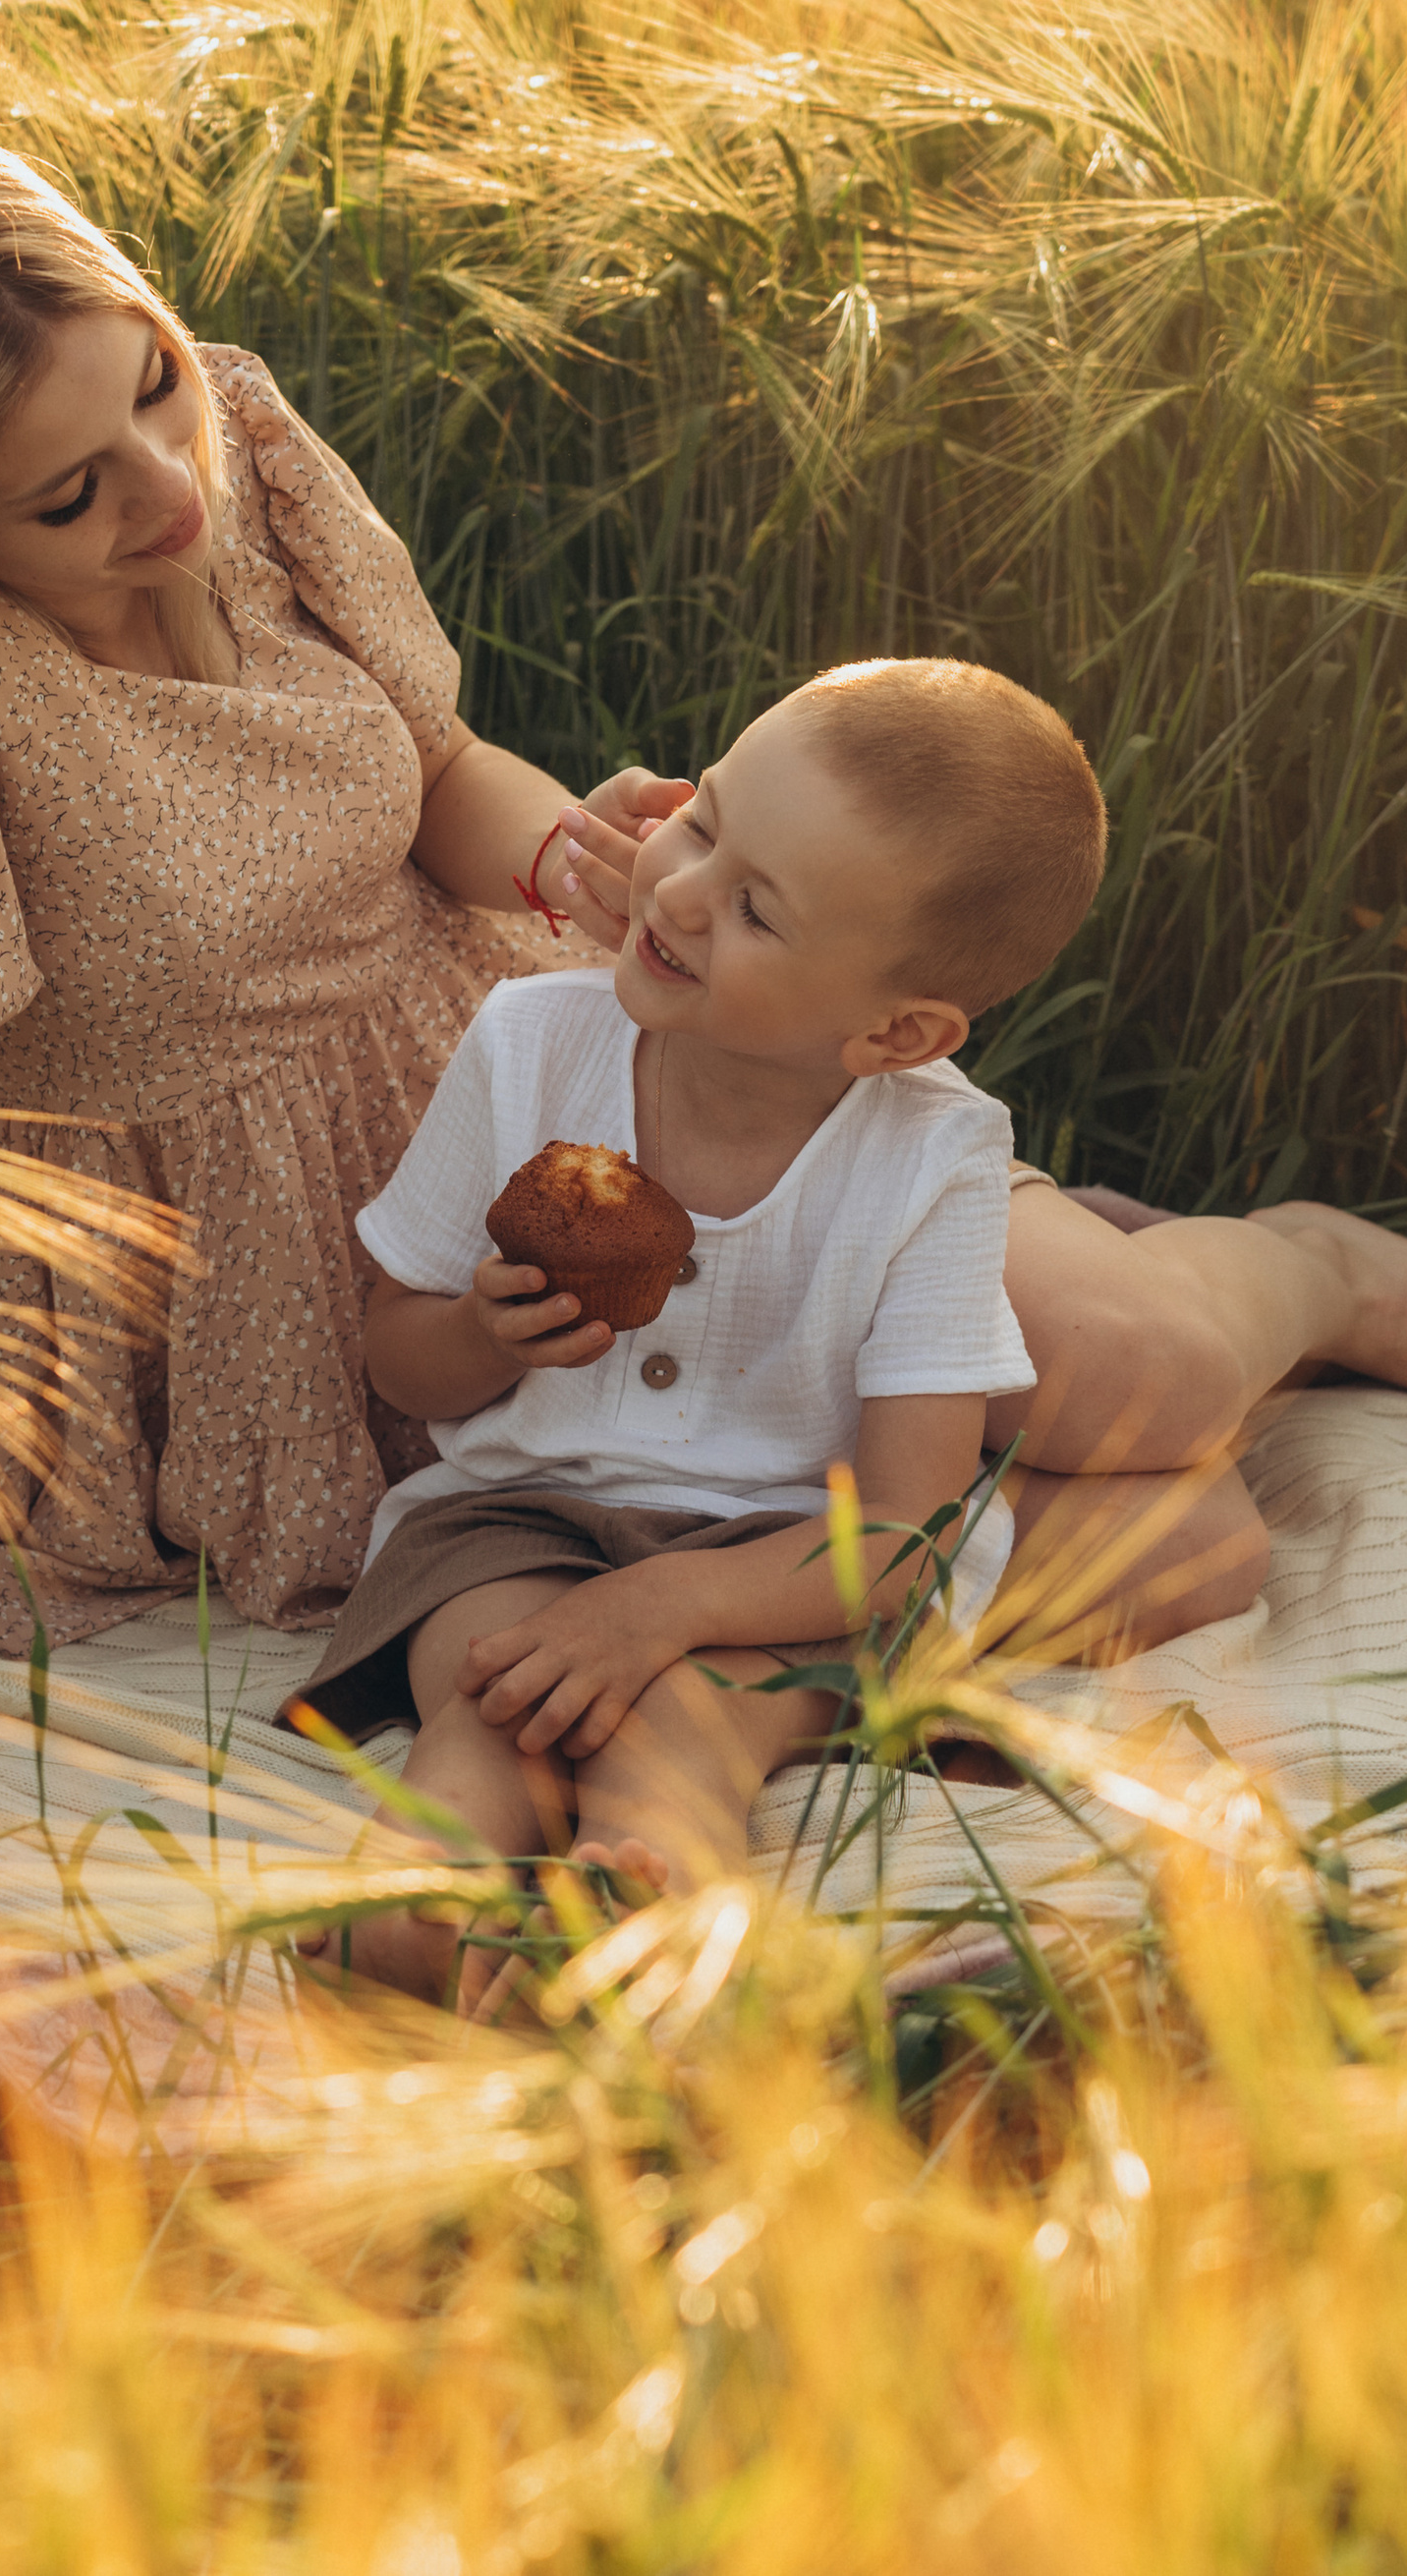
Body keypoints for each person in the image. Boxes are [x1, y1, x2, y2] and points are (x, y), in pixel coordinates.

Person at [0, 123, 1407, 1717]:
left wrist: (556, 871)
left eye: (149, 384)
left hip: (552, 1100)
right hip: (264, 1302)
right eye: (69, 493)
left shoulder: (233, 451)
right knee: (1113, 1534)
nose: (166, 486)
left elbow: (424, 770)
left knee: (1144, 1380)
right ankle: (803, 1630)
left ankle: (1311, 1274)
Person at [290, 659, 1101, 2000]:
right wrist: (490, 1335)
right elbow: (396, 1350)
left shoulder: (937, 1158)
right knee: (501, 1696)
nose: (673, 890)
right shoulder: (530, 1042)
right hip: (518, 1514)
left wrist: (661, 1604)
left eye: (755, 908)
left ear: (893, 1030)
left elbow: (901, 1535)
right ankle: (412, 1906)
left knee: (679, 1727)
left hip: (785, 1559)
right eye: (706, 817)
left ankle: (654, 1920)